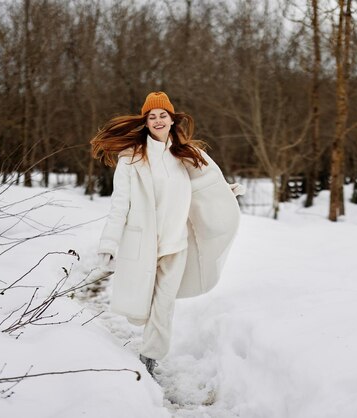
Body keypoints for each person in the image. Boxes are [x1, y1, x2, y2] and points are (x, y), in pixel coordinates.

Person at [90, 92, 244, 377]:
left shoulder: (186, 155)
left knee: (164, 303)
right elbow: (119, 204)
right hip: (144, 242)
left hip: (176, 244)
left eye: (163, 115)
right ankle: (146, 337)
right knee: (140, 308)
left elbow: (203, 191)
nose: (158, 120)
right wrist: (109, 242)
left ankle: (149, 358)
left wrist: (227, 195)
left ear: (172, 119)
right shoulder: (131, 159)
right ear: (146, 122)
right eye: (152, 116)